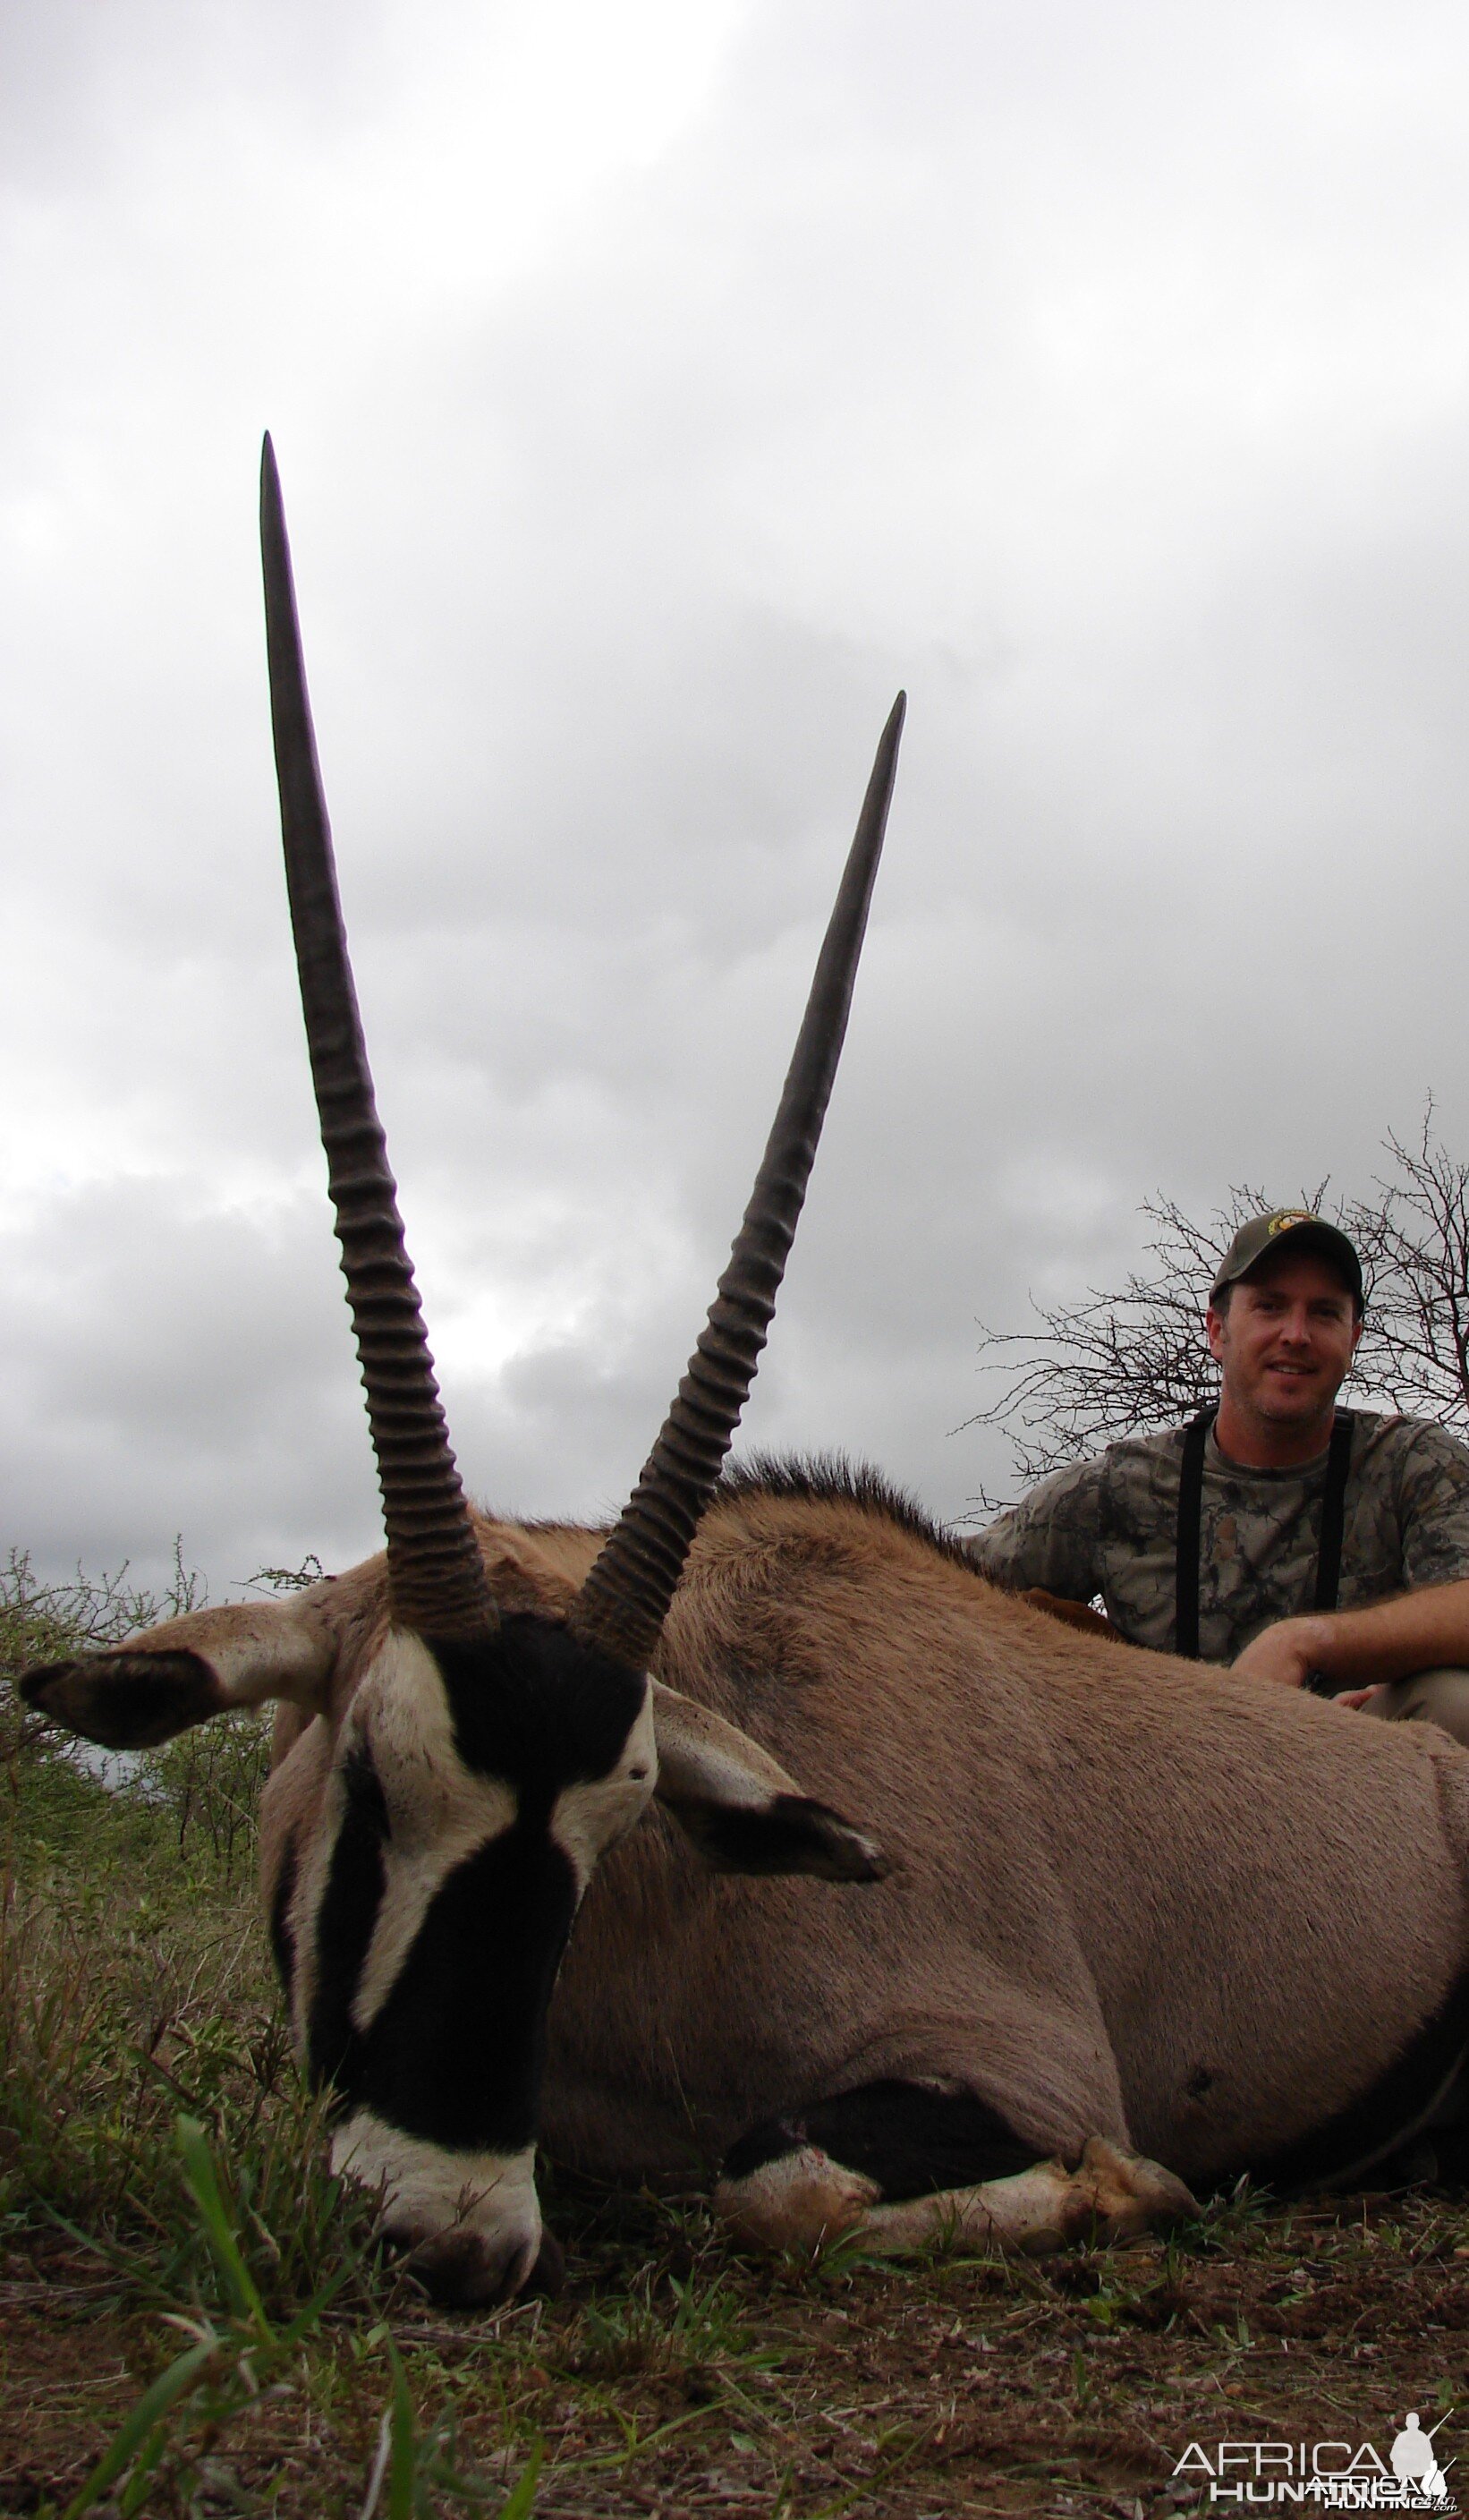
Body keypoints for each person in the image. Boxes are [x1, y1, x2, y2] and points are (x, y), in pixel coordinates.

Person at [966, 1207, 1469, 1745]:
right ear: (1217, 1330)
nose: (1295, 1335)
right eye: (1269, 1307)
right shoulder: (1117, 1487)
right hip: (1167, 1783)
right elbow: (938, 1575)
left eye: (1323, 1313)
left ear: (1353, 1339)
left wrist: (1303, 1642)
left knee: (1453, 1703)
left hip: (1359, 1774)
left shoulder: (1415, 1463)